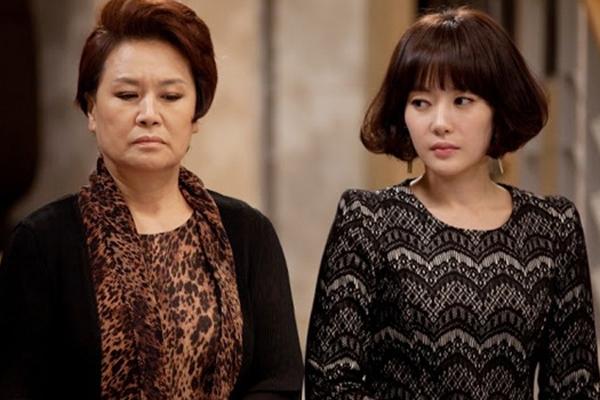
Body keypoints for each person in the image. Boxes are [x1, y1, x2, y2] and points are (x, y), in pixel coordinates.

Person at [0, 0, 303, 398]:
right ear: (91, 109)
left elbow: (280, 381)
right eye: (127, 95)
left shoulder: (248, 234)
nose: (148, 114)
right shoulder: (42, 242)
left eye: (171, 96)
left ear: (195, 114)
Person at [305, 7, 600, 399]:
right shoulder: (367, 219)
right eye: (420, 102)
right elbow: (330, 384)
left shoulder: (552, 226)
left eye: (462, 100)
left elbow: (575, 389)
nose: (439, 122)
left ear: (498, 108)